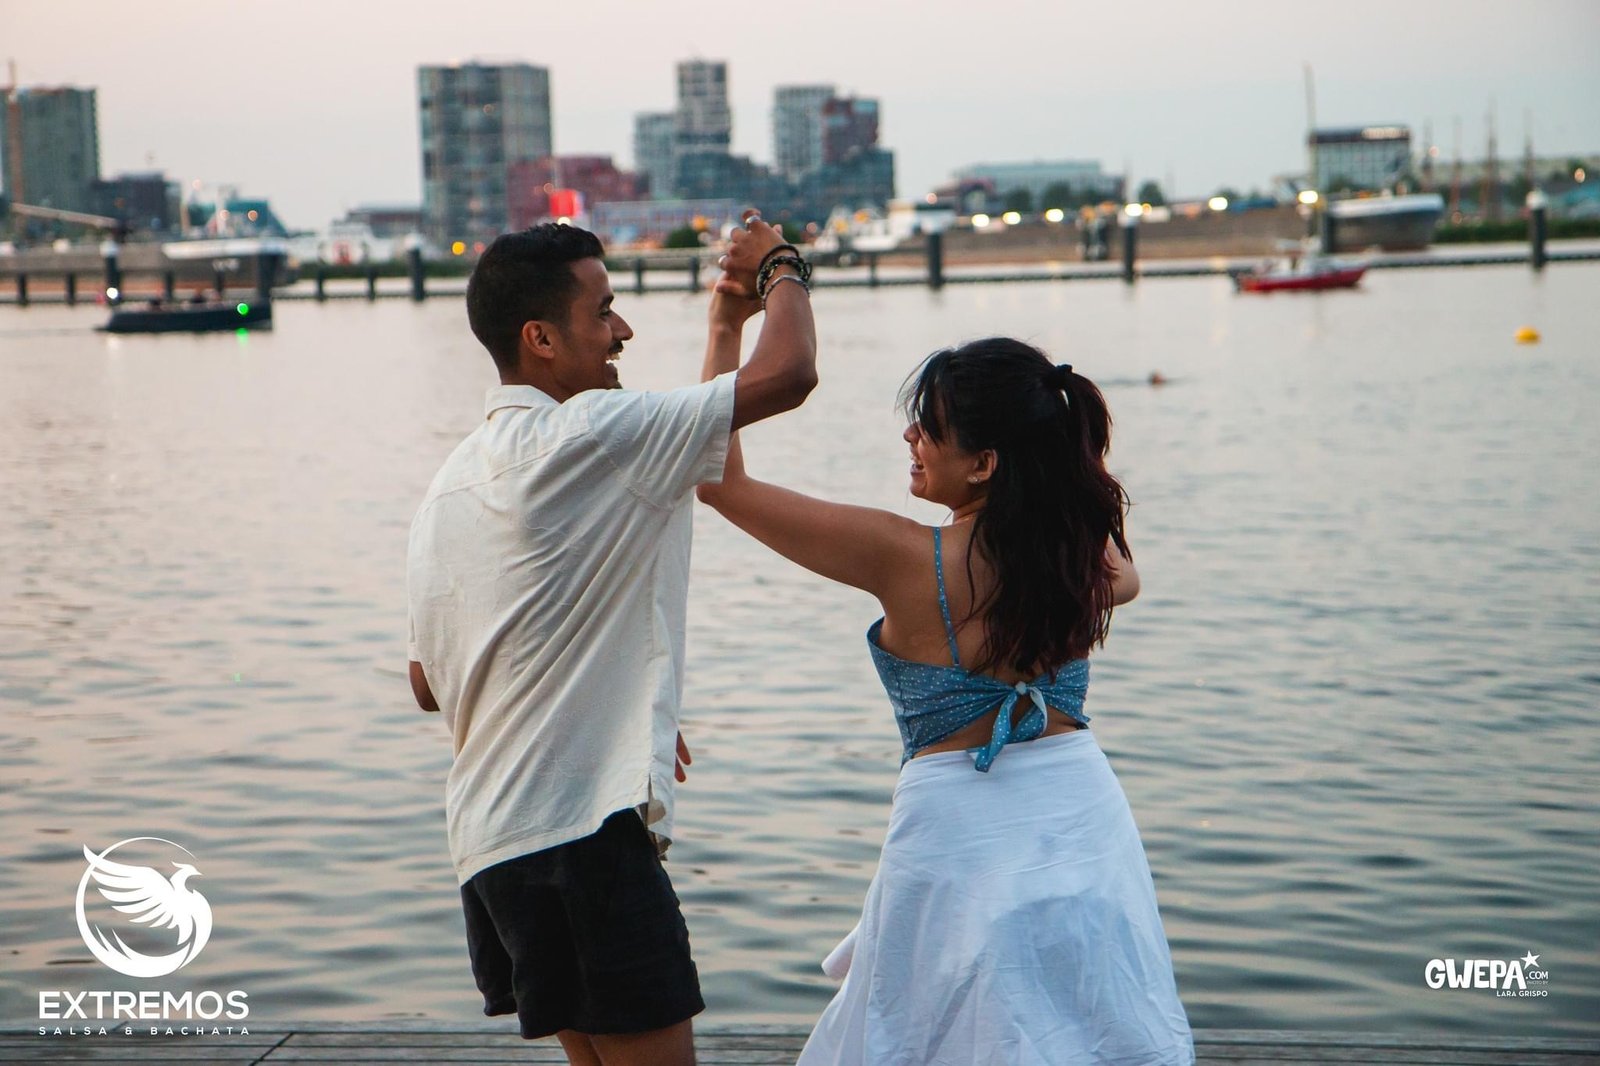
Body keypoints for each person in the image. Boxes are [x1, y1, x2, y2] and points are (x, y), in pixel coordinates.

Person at [695, 309, 1194, 1063]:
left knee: (934, 1025)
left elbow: (718, 480)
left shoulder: (900, 556)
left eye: (927, 428)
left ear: (986, 462)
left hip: (956, 831)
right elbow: (1127, 578)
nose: (910, 439)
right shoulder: (1080, 566)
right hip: (1083, 817)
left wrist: (727, 323)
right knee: (1095, 1017)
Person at [406, 216, 815, 1066]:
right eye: (606, 312)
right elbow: (790, 375)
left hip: (493, 850)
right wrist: (779, 266)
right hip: (580, 838)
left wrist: (611, 686)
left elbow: (428, 678)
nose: (623, 330)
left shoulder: (451, 484)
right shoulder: (590, 434)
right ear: (542, 338)